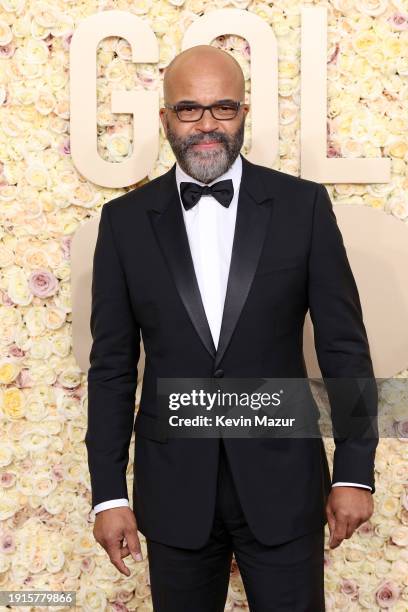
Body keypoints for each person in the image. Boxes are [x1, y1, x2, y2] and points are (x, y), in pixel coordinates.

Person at [86, 45, 378, 611]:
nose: (207, 125)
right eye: (189, 110)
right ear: (165, 118)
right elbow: (112, 369)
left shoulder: (303, 207)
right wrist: (107, 495)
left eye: (222, 108)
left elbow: (345, 348)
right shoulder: (124, 223)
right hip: (173, 493)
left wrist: (355, 471)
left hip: (285, 486)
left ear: (244, 113)